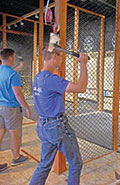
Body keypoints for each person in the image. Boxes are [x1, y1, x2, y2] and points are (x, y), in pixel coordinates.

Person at [29, 45, 88, 185]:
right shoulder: (51, 79)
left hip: (43, 126)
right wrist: (83, 65)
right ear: (55, 56)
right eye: (61, 56)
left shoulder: (38, 77)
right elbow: (81, 88)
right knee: (76, 163)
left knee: (44, 164)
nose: (62, 59)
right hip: (57, 127)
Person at [0, 48, 31, 172]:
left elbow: (7, 76)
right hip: (11, 109)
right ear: (11, 58)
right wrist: (26, 107)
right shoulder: (13, 74)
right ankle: (16, 157)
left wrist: (19, 67)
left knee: (0, 133)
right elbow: (18, 94)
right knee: (14, 134)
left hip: (0, 107)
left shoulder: (3, 71)